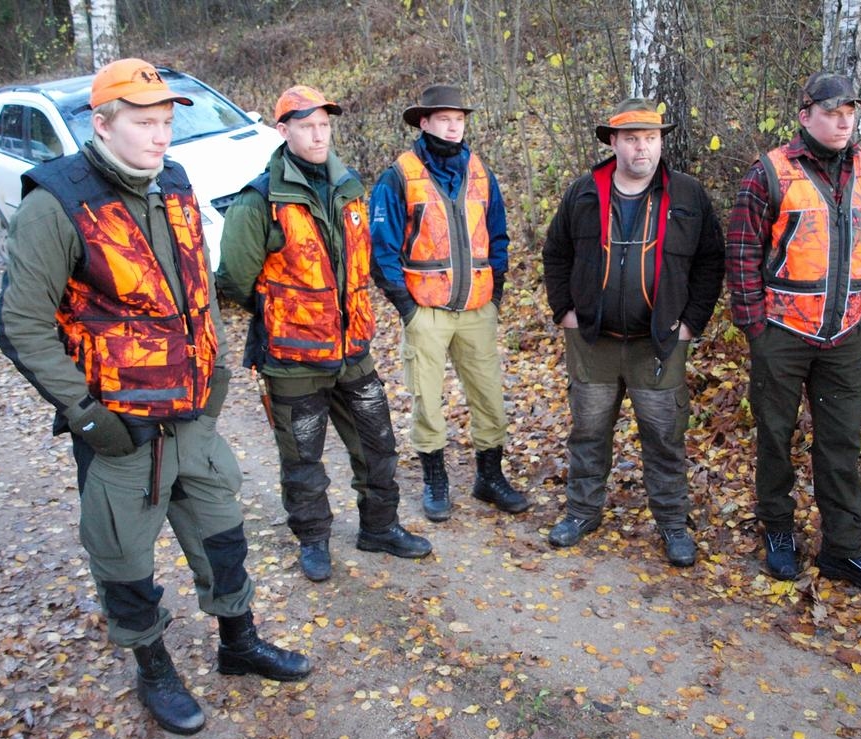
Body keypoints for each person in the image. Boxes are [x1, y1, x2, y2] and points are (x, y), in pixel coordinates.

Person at [0, 58, 309, 736]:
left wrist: (217, 369)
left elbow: (195, 287)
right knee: (125, 562)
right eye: (144, 123)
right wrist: (85, 415)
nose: (161, 136)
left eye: (167, 121)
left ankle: (238, 643)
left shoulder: (173, 179)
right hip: (120, 428)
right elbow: (20, 324)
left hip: (192, 414)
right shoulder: (56, 203)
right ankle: (155, 670)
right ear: (102, 124)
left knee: (223, 537)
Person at [216, 85, 432, 583]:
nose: (318, 135)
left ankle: (381, 526)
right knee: (303, 457)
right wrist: (288, 311)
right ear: (283, 130)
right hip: (293, 359)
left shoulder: (349, 187)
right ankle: (313, 540)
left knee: (378, 444)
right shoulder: (260, 200)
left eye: (324, 125)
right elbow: (234, 280)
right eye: (307, 125)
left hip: (354, 349)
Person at [725, 72, 861, 594]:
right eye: (831, 111)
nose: (843, 120)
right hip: (781, 332)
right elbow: (741, 255)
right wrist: (756, 326)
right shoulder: (770, 174)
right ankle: (778, 532)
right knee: (776, 437)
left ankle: (844, 551)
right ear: (805, 116)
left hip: (846, 336)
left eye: (850, 111)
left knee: (841, 444)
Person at [541, 98, 724, 565]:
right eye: (632, 139)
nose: (643, 148)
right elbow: (556, 252)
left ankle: (671, 523)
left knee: (665, 437)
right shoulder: (584, 193)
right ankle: (582, 512)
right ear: (613, 142)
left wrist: (691, 324)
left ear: (661, 142)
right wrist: (564, 309)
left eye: (651, 138)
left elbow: (710, 262)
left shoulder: (687, 195)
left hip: (659, 343)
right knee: (588, 431)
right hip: (593, 342)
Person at [369, 84, 530, 522]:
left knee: (489, 397)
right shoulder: (398, 176)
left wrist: (495, 295)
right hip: (426, 312)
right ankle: (435, 480)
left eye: (459, 118)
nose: (453, 126)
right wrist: (407, 308)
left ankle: (489, 477)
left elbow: (498, 236)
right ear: (424, 122)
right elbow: (380, 250)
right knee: (427, 399)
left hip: (478, 309)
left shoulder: (480, 172)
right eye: (443, 118)